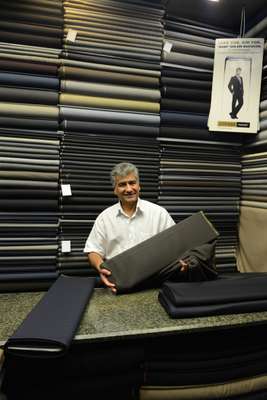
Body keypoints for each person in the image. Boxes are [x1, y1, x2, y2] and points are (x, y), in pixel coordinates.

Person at [84, 162, 187, 292]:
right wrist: (101, 267)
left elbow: (177, 244)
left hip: (157, 285)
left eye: (132, 183)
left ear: (139, 186)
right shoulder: (105, 218)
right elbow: (93, 250)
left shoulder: (159, 213)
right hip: (119, 284)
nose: (128, 189)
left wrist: (182, 261)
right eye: (122, 184)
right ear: (115, 190)